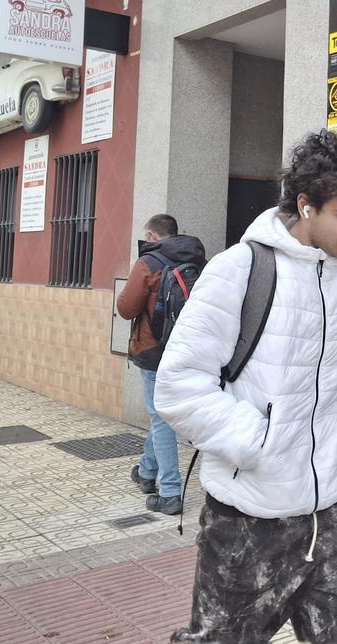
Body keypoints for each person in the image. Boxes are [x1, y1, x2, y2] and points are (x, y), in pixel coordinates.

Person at [155, 130, 337, 644]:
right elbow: (178, 386)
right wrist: (258, 442)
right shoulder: (239, 271)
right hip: (249, 520)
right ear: (306, 205)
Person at [117, 214, 207, 515]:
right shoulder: (196, 260)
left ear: (153, 236)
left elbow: (126, 308)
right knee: (162, 415)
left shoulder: (149, 263)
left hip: (154, 350)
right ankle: (146, 471)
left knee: (161, 418)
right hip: (187, 351)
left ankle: (169, 491)